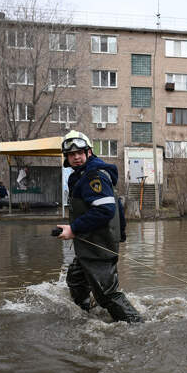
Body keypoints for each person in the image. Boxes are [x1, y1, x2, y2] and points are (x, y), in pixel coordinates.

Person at [56, 130, 142, 323]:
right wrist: (74, 228)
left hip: (99, 244)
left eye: (80, 152)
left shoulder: (94, 175)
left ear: (89, 152)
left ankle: (138, 327)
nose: (76, 157)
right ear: (66, 157)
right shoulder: (80, 175)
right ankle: (86, 315)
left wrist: (74, 229)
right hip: (89, 241)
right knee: (76, 279)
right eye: (71, 154)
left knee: (107, 294)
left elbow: (105, 210)